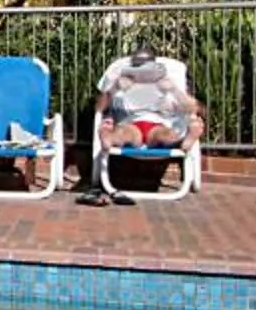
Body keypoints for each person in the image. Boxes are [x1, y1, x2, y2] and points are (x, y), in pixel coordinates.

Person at [84, 48, 204, 205]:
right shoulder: (122, 80)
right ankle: (107, 138)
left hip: (159, 124)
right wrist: (113, 89)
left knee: (165, 135)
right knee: (122, 133)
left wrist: (174, 89)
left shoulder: (166, 81)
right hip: (130, 123)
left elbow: (194, 108)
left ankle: (186, 141)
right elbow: (99, 108)